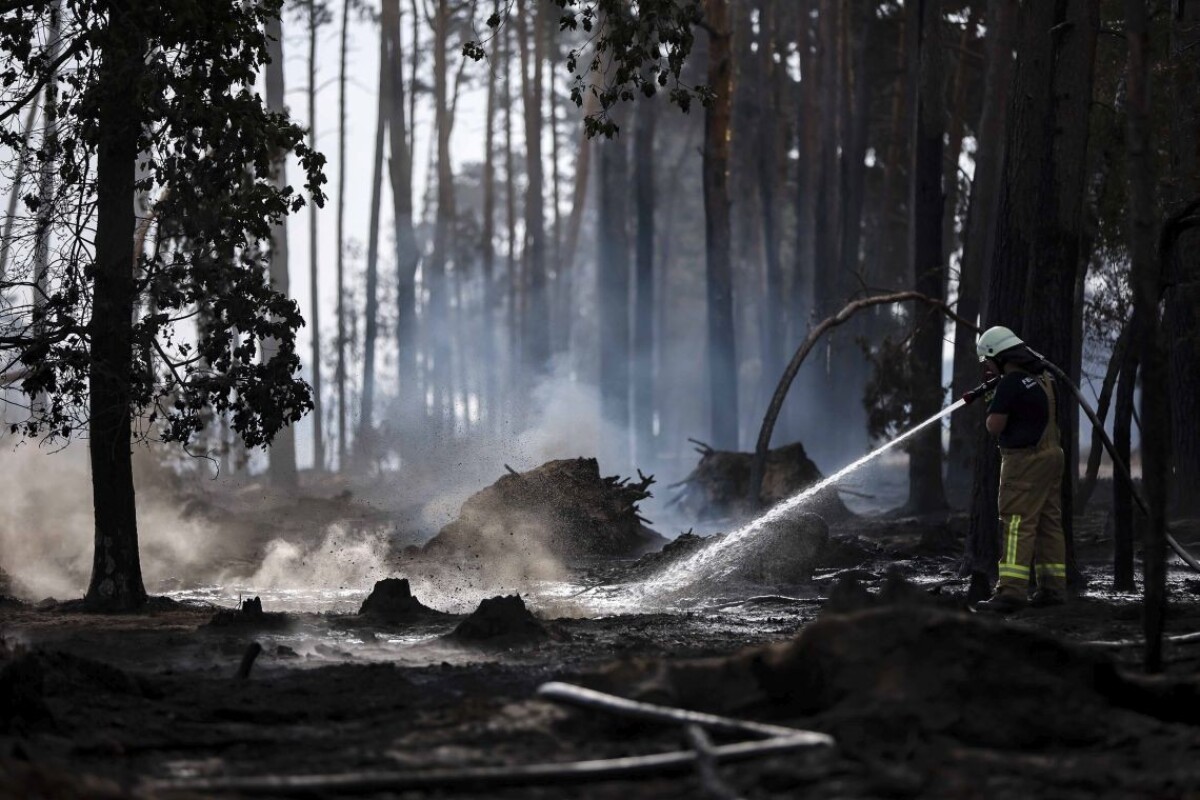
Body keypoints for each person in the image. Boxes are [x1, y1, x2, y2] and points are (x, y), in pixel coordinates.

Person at [973, 326, 1067, 612]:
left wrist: (992, 399)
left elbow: (994, 426)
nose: (987, 367)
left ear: (999, 356)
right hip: (1052, 456)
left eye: (988, 361)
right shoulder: (1045, 377)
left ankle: (1011, 591)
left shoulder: (1011, 383)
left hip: (1024, 462)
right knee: (1049, 522)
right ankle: (1053, 588)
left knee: (1017, 522)